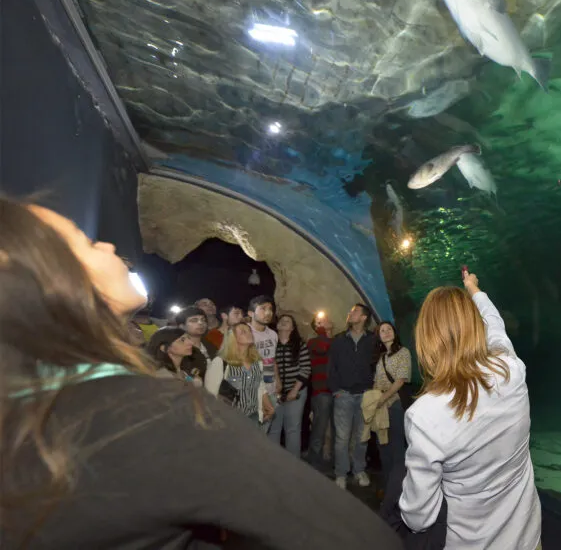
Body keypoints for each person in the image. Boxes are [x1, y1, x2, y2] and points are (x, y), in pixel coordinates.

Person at [0, 196, 405, 549]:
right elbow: (356, 537)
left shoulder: (27, 407)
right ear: (53, 283)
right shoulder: (151, 413)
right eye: (85, 242)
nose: (105, 243)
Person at [399, 271, 542, 549]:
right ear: (475, 329)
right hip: (527, 537)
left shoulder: (424, 415)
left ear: (426, 338)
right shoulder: (511, 371)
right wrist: (473, 288)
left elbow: (418, 517)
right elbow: (495, 324)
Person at [328, 303, 378, 489]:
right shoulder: (339, 339)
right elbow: (331, 367)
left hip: (365, 395)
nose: (350, 313)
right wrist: (336, 390)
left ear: (364, 317)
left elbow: (377, 366)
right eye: (350, 311)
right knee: (341, 438)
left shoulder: (373, 340)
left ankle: (359, 470)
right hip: (344, 394)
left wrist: (373, 389)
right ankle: (341, 473)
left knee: (361, 437)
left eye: (355, 311)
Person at [204, 323, 274, 425]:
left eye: (249, 331)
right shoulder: (220, 362)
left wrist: (268, 405)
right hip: (230, 420)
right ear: (233, 337)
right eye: (243, 331)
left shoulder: (257, 361)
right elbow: (210, 397)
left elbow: (260, 386)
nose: (249, 333)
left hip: (253, 416)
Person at [373, 321, 412, 493]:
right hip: (381, 406)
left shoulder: (403, 352)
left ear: (394, 333)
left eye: (389, 329)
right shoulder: (381, 357)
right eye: (382, 330)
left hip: (395, 403)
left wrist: (383, 397)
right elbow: (376, 381)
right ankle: (388, 486)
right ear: (379, 336)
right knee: (383, 446)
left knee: (397, 448)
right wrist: (375, 400)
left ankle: (400, 490)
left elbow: (401, 379)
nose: (386, 332)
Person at [271, 314, 311, 455]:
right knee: (274, 427)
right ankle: (273, 462)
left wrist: (294, 391)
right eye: (281, 321)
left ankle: (293, 465)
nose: (283, 322)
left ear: (292, 328)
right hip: (275, 392)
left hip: (297, 391)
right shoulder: (271, 343)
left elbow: (306, 368)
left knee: (293, 428)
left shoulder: (299, 345)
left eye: (287, 321)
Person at [248, 295, 279, 433]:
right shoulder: (243, 333)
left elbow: (272, 359)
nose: (268, 313)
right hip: (252, 391)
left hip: (270, 387)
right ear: (250, 313)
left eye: (270, 309)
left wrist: (277, 380)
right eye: (262, 309)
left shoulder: (273, 334)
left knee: (264, 432)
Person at [307, 313, 335, 468]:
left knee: (338, 431)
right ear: (316, 328)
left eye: (326, 319)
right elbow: (323, 348)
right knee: (320, 428)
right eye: (320, 322)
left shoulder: (338, 341)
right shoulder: (313, 342)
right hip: (321, 391)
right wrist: (322, 332)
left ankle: (333, 462)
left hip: (338, 391)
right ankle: (314, 464)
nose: (326, 321)